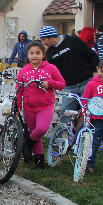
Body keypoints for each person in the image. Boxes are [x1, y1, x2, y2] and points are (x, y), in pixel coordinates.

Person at [16, 41, 65, 169]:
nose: (35, 56)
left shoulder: (51, 68)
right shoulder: (24, 71)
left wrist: (50, 83)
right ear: (28, 55)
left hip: (46, 106)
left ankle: (27, 143)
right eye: (32, 53)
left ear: (43, 54)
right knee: (34, 132)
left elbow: (62, 84)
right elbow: (19, 89)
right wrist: (17, 105)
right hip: (29, 106)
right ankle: (39, 163)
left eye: (38, 53)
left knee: (41, 129)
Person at [41, 25, 99, 126]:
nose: (43, 43)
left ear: (51, 37)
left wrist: (95, 73)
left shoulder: (73, 40)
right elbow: (52, 71)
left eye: (44, 39)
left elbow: (91, 55)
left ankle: (92, 132)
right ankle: (64, 135)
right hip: (69, 86)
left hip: (86, 81)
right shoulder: (49, 53)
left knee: (91, 109)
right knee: (65, 112)